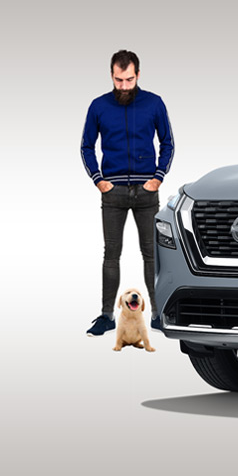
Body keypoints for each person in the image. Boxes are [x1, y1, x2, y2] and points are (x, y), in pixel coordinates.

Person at [81, 50, 175, 336]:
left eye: (129, 79)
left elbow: (168, 143)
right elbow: (86, 146)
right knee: (111, 254)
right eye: (119, 80)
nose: (124, 86)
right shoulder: (98, 106)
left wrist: (158, 177)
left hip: (147, 192)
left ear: (138, 75)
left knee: (153, 255)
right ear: (111, 75)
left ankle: (159, 315)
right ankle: (106, 315)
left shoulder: (154, 103)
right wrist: (99, 180)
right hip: (113, 192)